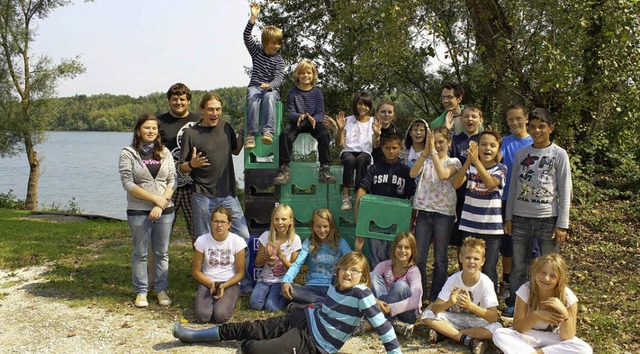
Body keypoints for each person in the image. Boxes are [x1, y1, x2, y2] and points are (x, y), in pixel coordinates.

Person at [172, 252, 402, 354]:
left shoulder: (362, 294)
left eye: (356, 271)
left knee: (252, 348)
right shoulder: (335, 281)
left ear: (363, 278)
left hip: (313, 344)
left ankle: (247, 342)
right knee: (256, 327)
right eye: (346, 268)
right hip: (305, 319)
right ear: (339, 269)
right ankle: (194, 335)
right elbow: (329, 307)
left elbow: (384, 328)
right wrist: (312, 309)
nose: (349, 274)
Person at [179, 92, 252, 293]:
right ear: (201, 110)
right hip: (202, 195)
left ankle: (241, 282)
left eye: (218, 109)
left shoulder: (226, 127)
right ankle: (205, 282)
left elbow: (236, 150)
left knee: (243, 235)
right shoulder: (191, 134)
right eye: (210, 109)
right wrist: (191, 164)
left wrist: (245, 131)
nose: (215, 113)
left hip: (227, 194)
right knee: (203, 240)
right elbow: (182, 166)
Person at [504, 108, 573, 318]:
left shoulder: (559, 154)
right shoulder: (521, 154)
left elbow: (565, 190)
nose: (536, 130)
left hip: (548, 220)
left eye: (541, 126)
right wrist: (509, 217)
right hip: (521, 218)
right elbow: (513, 187)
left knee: (550, 268)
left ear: (550, 128)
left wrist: (562, 224)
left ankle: (550, 305)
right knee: (519, 266)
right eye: (533, 126)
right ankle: (515, 303)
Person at [118, 114, 176, 308]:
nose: (151, 131)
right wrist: (155, 200)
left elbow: (172, 180)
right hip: (138, 210)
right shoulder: (128, 153)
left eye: (154, 128)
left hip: (165, 211)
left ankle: (161, 289)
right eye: (146, 128)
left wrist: (161, 204)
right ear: (138, 131)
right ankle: (141, 291)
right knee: (140, 253)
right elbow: (127, 183)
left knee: (162, 252)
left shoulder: (165, 152)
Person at [492, 254, 593, 354]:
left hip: (553, 338)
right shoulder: (526, 290)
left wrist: (564, 313)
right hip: (528, 335)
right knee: (500, 333)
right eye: (543, 273)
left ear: (559, 279)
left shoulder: (567, 297)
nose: (546, 279)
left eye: (553, 276)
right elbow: (518, 328)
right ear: (536, 272)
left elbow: (567, 336)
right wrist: (536, 315)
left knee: (584, 349)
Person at [421, 237, 502, 354]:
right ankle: (466, 339)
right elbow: (435, 308)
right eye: (468, 258)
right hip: (455, 319)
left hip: (477, 321)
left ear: (483, 261)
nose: (471, 262)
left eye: (476, 259)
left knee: (497, 328)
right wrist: (449, 302)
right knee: (427, 315)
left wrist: (470, 306)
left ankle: (447, 334)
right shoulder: (454, 279)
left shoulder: (486, 282)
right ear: (460, 258)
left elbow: (493, 317)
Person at [410, 126, 462, 303]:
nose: (438, 145)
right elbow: (412, 173)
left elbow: (443, 175)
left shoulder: (454, 162)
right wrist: (426, 153)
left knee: (440, 258)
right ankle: (421, 294)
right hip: (424, 212)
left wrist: (432, 153)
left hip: (443, 214)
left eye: (441, 142)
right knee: (419, 257)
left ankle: (436, 296)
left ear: (449, 143)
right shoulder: (425, 159)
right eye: (434, 141)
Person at [451, 130, 507, 290]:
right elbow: (455, 184)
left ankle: (489, 305)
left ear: (498, 149)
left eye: (492, 145)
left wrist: (477, 162)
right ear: (476, 147)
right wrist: (469, 162)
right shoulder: (470, 167)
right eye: (483, 144)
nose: (487, 148)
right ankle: (465, 299)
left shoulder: (501, 168)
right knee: (467, 267)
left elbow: (490, 183)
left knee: (488, 269)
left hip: (492, 229)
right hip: (469, 226)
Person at [356, 132, 416, 269]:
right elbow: (363, 188)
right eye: (387, 148)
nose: (391, 151)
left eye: (394, 148)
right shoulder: (375, 168)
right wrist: (357, 209)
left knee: (395, 256)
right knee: (376, 257)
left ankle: (391, 285)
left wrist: (413, 215)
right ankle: (376, 286)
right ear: (382, 148)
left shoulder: (406, 171)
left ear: (400, 148)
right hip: (376, 221)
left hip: (396, 222)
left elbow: (412, 195)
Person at [273, 59, 336, 185]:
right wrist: (299, 116)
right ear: (298, 75)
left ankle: (325, 169)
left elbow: (320, 112)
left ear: (313, 75)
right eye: (303, 73)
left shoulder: (317, 93)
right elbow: (290, 112)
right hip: (298, 121)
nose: (306, 76)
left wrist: (314, 119)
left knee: (324, 134)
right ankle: (284, 168)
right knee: (285, 134)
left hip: (313, 122)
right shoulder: (292, 92)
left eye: (309, 73)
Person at [281, 209, 354, 309]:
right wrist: (286, 280)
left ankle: (306, 306)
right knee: (290, 291)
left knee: (347, 295)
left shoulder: (340, 242)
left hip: (333, 287)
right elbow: (297, 264)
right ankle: (325, 304)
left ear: (331, 226)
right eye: (318, 226)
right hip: (312, 288)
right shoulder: (309, 242)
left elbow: (352, 261)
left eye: (325, 226)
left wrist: (358, 249)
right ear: (313, 227)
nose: (322, 230)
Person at [498, 104, 533, 309]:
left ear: (526, 118)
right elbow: (495, 159)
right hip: (503, 200)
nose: (514, 123)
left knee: (527, 247)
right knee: (507, 246)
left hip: (526, 202)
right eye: (510, 120)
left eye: (518, 119)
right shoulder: (504, 142)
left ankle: (528, 286)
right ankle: (508, 282)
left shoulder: (533, 142)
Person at [157, 83, 200, 243]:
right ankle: (156, 268)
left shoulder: (198, 121)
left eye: (182, 99)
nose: (178, 102)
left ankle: (200, 267)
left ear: (188, 101)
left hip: (194, 185)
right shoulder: (159, 122)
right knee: (161, 232)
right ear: (169, 101)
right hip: (168, 186)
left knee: (198, 234)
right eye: (175, 99)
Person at [192, 206, 247, 323]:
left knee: (220, 316)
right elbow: (196, 271)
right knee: (203, 316)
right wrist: (210, 283)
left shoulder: (238, 241)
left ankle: (227, 299)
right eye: (216, 221)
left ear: (229, 224)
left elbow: (240, 273)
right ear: (211, 223)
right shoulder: (202, 240)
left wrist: (224, 285)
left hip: (229, 282)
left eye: (223, 222)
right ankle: (206, 299)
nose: (219, 225)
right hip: (208, 280)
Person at [243, 2, 285, 149]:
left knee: (268, 97)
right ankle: (251, 135)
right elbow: (246, 36)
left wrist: (270, 85)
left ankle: (268, 131)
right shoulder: (257, 51)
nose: (277, 46)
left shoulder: (279, 60)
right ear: (265, 41)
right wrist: (253, 18)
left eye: (279, 43)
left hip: (271, 89)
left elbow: (279, 78)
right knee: (253, 98)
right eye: (274, 43)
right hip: (255, 86)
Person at [249, 204, 302, 312]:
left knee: (271, 308)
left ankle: (287, 297)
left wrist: (280, 255)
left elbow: (293, 268)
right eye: (276, 219)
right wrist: (267, 257)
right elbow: (257, 263)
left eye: (283, 219)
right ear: (273, 221)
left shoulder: (295, 239)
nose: (280, 223)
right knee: (255, 305)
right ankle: (271, 295)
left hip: (281, 281)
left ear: (291, 221)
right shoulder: (266, 236)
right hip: (264, 280)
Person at [370, 232, 423, 337]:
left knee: (400, 286)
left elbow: (415, 301)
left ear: (412, 251)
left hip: (407, 313)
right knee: (372, 276)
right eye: (399, 247)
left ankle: (377, 320)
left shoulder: (413, 271)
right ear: (394, 248)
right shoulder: (385, 265)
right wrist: (377, 302)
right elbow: (366, 286)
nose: (402, 251)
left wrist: (390, 308)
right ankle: (393, 323)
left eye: (407, 248)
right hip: (384, 306)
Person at [449, 104, 484, 250]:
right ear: (462, 120)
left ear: (480, 120)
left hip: (478, 194)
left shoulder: (484, 141)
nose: (470, 119)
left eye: (474, 116)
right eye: (466, 116)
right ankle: (461, 270)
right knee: (459, 238)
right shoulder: (455, 140)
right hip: (458, 194)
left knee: (478, 238)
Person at [335, 91, 375, 210]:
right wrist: (340, 129)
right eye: (360, 104)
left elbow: (376, 144)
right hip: (348, 151)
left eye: (366, 105)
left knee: (361, 160)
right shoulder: (348, 120)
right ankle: (346, 197)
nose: (363, 107)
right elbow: (340, 144)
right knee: (349, 160)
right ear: (355, 104)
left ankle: (359, 193)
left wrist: (377, 134)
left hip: (365, 152)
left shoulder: (373, 121)